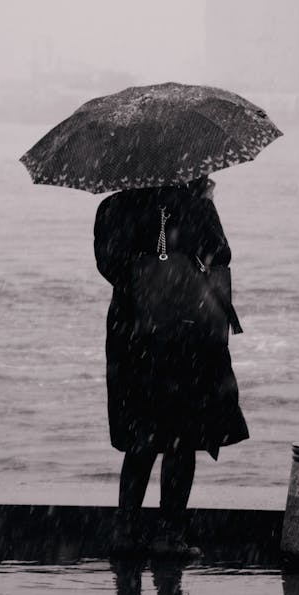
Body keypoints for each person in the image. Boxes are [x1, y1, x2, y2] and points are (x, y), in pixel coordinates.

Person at [94, 176, 249, 555]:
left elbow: (109, 266)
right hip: (186, 332)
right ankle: (170, 534)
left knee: (142, 436)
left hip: (132, 332)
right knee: (181, 437)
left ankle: (125, 531)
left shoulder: (113, 207)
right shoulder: (193, 204)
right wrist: (200, 201)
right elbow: (219, 255)